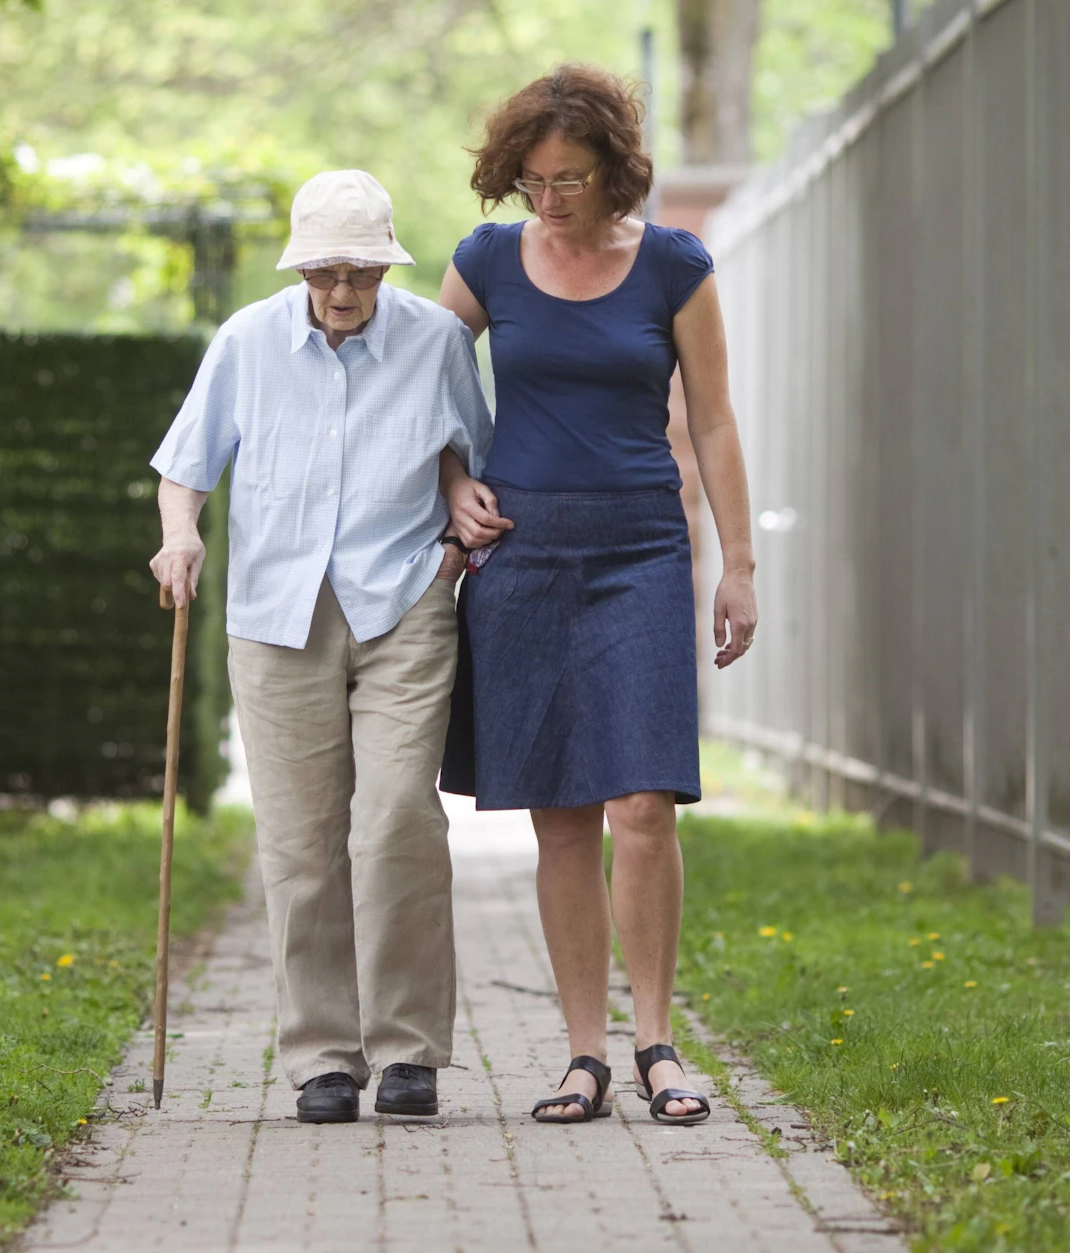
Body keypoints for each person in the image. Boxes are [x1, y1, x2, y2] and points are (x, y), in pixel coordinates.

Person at [436, 64, 758, 1127]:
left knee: (643, 804)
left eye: (569, 177)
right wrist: (452, 485)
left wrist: (740, 564)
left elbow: (710, 421)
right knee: (561, 818)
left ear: (612, 169)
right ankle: (584, 1054)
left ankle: (656, 1040)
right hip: (521, 557)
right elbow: (420, 393)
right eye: (530, 180)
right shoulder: (486, 261)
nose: (549, 198)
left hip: (638, 552)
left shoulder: (672, 265)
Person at [148, 169, 492, 1124]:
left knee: (395, 821)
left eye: (364, 270)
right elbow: (184, 469)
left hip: (404, 601)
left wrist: (460, 509)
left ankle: (411, 1049)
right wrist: (181, 533)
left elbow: (473, 452)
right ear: (301, 266)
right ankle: (322, 1057)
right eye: (328, 270)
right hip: (276, 616)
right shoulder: (247, 343)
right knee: (300, 842)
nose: (345, 290)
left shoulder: (436, 341)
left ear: (388, 265)